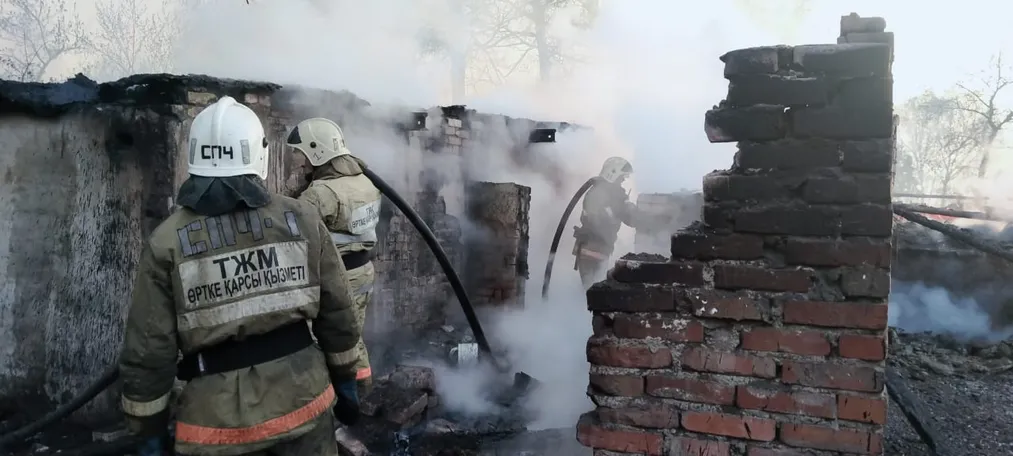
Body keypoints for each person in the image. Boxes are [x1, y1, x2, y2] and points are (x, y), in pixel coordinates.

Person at [118, 97, 362, 456]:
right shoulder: (303, 219)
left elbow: (149, 350)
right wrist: (346, 381)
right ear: (259, 155)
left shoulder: (167, 241)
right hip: (304, 405)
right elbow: (339, 314)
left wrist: (147, 428)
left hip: (215, 428)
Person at [285, 117, 382, 398]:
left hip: (335, 280)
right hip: (363, 271)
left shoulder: (320, 193)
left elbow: (288, 226)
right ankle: (361, 389)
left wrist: (294, 187)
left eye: (301, 153)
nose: (299, 161)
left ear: (317, 151)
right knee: (354, 335)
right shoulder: (365, 182)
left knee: (325, 339)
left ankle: (330, 397)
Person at [572, 156, 646, 289]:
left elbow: (627, 217)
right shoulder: (604, 193)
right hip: (592, 250)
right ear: (612, 173)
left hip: (596, 250)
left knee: (593, 291)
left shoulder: (605, 192)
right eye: (622, 177)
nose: (623, 180)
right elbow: (626, 216)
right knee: (593, 291)